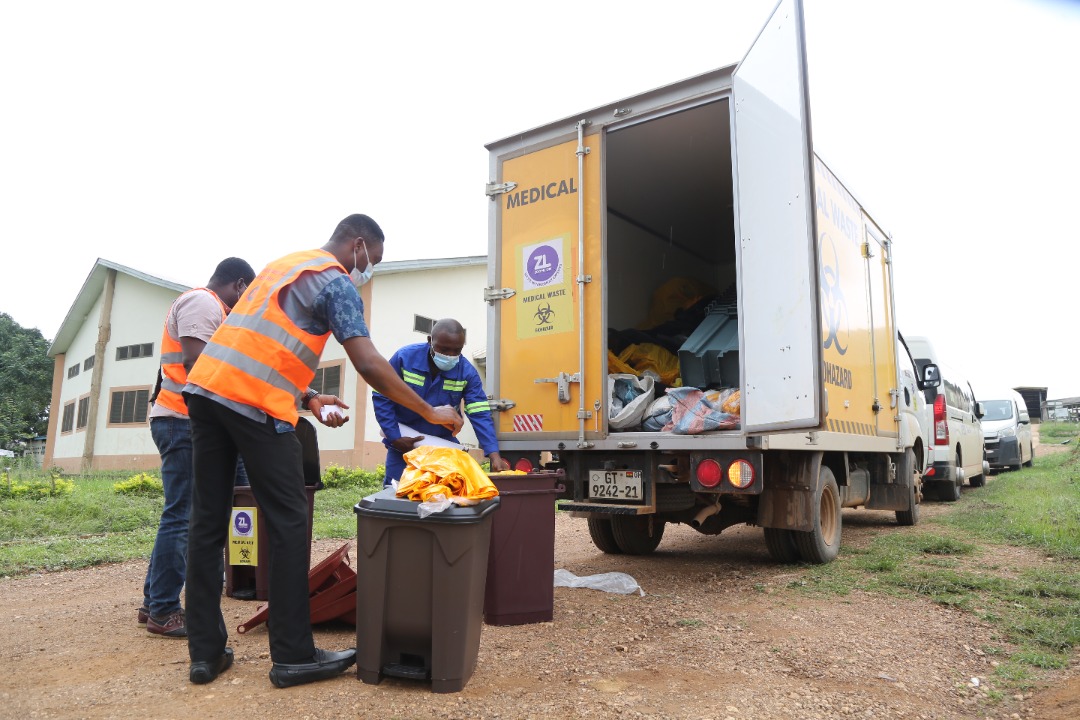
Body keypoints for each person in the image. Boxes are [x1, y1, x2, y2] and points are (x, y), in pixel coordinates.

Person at [182, 214, 463, 689]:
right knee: (290, 521)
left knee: (207, 522)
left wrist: (309, 398)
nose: (366, 270)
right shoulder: (335, 281)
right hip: (254, 405)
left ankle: (205, 654)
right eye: (370, 260)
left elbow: (262, 343)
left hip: (207, 392)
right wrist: (431, 414)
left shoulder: (285, 265)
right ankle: (294, 655)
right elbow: (369, 362)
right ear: (357, 245)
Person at [140, 257, 256, 638]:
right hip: (182, 421)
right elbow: (196, 364)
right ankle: (163, 610)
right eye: (248, 294)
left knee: (188, 512)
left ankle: (154, 601)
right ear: (239, 285)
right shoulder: (203, 302)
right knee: (184, 515)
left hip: (192, 423)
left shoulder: (217, 313)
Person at [373, 318, 510, 485]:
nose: (450, 356)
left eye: (456, 350)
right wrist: (394, 437)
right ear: (430, 341)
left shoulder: (467, 373)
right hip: (405, 442)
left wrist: (494, 455)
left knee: (449, 491)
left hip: (442, 442)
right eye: (444, 349)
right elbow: (382, 395)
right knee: (396, 491)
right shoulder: (404, 358)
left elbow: (479, 413)